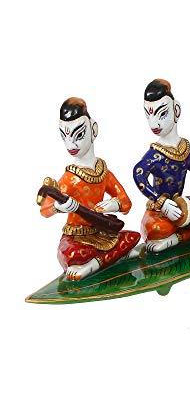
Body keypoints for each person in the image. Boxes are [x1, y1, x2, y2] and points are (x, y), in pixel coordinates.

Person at [39, 97, 140, 281]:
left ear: (93, 130)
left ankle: (94, 264)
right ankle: (111, 257)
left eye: (78, 135)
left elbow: (126, 203)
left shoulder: (103, 173)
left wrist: (114, 204)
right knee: (72, 254)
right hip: (75, 237)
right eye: (65, 137)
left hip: (101, 231)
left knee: (132, 237)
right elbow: (45, 210)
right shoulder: (69, 178)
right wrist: (58, 207)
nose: (71, 145)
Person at [133, 79, 190, 252]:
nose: (154, 124)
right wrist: (161, 202)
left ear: (176, 110)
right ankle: (185, 236)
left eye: (162, 114)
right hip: (159, 211)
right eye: (148, 115)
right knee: (155, 228)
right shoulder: (155, 155)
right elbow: (138, 173)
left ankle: (175, 239)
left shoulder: (186, 151)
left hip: (181, 207)